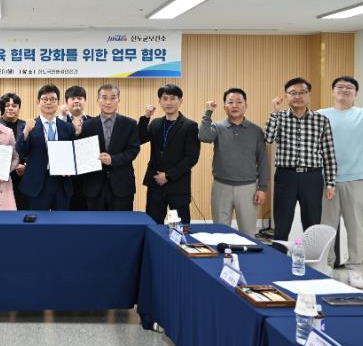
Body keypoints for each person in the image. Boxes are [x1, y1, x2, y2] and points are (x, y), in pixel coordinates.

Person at [316, 73, 363, 288]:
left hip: (357, 179)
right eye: (340, 87)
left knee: (356, 227)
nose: (344, 90)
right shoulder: (320, 115)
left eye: (349, 88)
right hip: (327, 180)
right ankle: (326, 265)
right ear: (333, 91)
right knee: (327, 226)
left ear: (356, 93)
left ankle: (355, 270)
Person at [266, 77, 337, 249]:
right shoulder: (278, 117)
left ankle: (312, 259)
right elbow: (268, 138)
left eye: (302, 92)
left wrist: (330, 183)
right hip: (285, 176)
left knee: (312, 224)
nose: (298, 96)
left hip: (312, 177)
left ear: (309, 94)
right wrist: (274, 112)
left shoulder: (321, 120)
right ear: (286, 96)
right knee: (282, 224)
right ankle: (278, 259)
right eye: (293, 93)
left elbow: (329, 153)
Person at [198, 88, 269, 237]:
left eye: (239, 102)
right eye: (230, 102)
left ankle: (247, 254)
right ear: (225, 107)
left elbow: (263, 160)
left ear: (245, 106)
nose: (234, 105)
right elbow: (204, 136)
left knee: (248, 233)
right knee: (219, 232)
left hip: (248, 188)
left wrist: (262, 188)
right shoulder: (217, 127)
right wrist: (208, 112)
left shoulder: (256, 130)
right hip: (221, 186)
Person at [139, 84, 200, 224]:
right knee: (153, 225)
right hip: (155, 184)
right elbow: (140, 139)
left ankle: (179, 240)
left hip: (178, 185)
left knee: (179, 228)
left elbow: (192, 157)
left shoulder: (190, 126)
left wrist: (168, 176)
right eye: (165, 99)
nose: (168, 102)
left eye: (173, 98)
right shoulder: (155, 123)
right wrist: (146, 117)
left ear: (180, 101)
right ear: (160, 102)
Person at [17, 84, 81, 210]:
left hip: (61, 181)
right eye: (45, 99)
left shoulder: (67, 127)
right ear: (38, 102)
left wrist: (70, 168)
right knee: (38, 220)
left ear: (58, 102)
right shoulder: (29, 125)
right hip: (37, 182)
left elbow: (73, 154)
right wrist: (26, 131)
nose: (48, 102)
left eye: (52, 99)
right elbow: (21, 150)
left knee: (62, 219)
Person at [80, 84, 140, 211]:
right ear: (98, 100)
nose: (108, 102)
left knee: (122, 222)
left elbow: (133, 150)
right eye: (104, 97)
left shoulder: (130, 124)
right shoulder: (88, 125)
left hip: (122, 186)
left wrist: (113, 159)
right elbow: (82, 153)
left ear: (118, 100)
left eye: (113, 98)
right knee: (95, 222)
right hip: (94, 187)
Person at [58, 85, 93, 210]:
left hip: (88, 178)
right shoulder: (58, 121)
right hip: (65, 177)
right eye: (73, 98)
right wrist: (63, 117)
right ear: (66, 102)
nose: (77, 101)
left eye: (80, 98)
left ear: (85, 101)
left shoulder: (93, 121)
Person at [0, 92, 29, 210]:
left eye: (14, 105)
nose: (10, 108)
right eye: (7, 105)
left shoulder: (27, 127)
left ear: (19, 108)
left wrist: (26, 165)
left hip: (22, 178)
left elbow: (33, 150)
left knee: (22, 211)